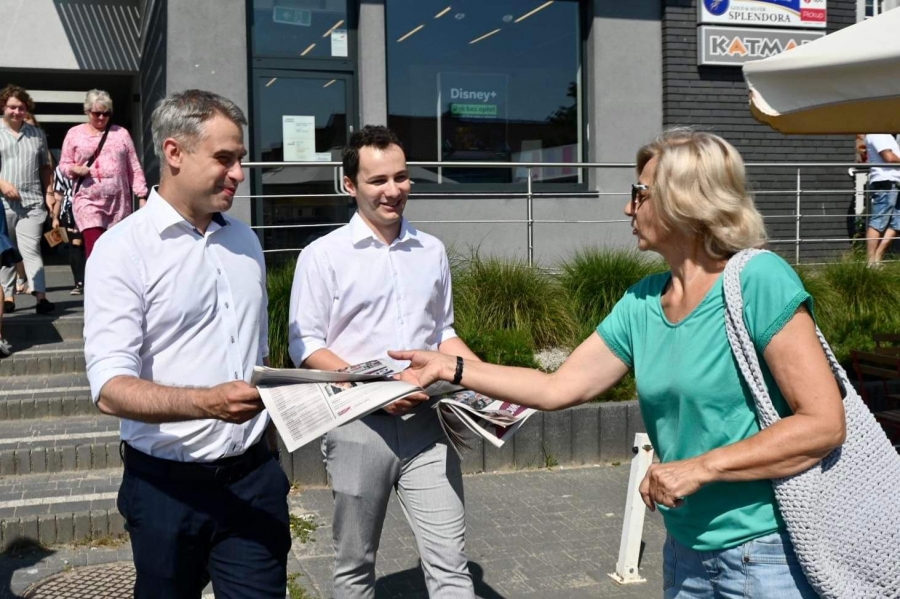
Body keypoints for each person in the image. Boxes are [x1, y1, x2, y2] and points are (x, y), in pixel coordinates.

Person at [392, 130, 847, 599]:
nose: (629, 208)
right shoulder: (642, 302)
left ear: (682, 198)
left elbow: (823, 424)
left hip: (767, 554)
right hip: (685, 552)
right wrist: (448, 366)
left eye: (639, 193)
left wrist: (700, 468)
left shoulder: (758, 279)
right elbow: (557, 387)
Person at [84, 90, 290, 599]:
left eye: (240, 159)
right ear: (174, 152)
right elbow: (109, 388)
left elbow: (256, 355)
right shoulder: (121, 250)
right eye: (224, 158)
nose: (239, 173)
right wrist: (207, 403)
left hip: (253, 480)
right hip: (166, 491)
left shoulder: (246, 241)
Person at [288, 125, 480, 599]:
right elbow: (305, 344)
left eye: (401, 177)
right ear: (349, 184)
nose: (393, 191)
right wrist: (375, 387)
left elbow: (444, 333)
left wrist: (487, 379)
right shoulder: (322, 255)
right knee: (355, 567)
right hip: (358, 427)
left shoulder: (431, 250)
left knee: (451, 565)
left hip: (427, 426)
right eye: (377, 180)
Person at [58, 89, 147, 260]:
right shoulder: (74, 133)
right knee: (95, 249)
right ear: (87, 111)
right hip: (87, 200)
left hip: (118, 203)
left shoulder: (121, 133)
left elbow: (133, 166)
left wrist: (141, 195)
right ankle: (94, 276)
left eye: (106, 114)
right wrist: (74, 169)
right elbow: (64, 164)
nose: (101, 118)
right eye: (96, 113)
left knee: (115, 252)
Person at [0, 85, 55, 314]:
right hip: (2, 204)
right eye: (12, 107)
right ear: (3, 107)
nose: (17, 112)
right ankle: (8, 296)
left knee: (31, 247)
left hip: (32, 203)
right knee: (7, 251)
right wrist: (2, 184)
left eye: (21, 108)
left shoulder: (37, 134)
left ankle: (40, 296)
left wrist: (49, 193)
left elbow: (45, 167)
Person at [863, 133, 900, 265]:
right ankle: (870, 262)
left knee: (898, 222)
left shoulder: (887, 135)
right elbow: (888, 157)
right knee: (878, 222)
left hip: (895, 182)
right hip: (886, 182)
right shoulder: (878, 133)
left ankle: (877, 258)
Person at [51, 164, 85, 295]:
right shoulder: (61, 169)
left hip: (89, 206)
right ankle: (79, 281)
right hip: (70, 209)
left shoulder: (92, 163)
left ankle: (85, 280)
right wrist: (55, 217)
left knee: (87, 243)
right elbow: (58, 196)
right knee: (76, 244)